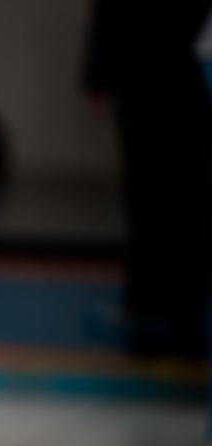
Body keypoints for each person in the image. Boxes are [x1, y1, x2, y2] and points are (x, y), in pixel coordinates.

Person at [82, 0, 212, 360]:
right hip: (177, 66)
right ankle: (176, 305)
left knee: (156, 191)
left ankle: (158, 305)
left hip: (154, 65)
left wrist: (97, 71)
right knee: (181, 190)